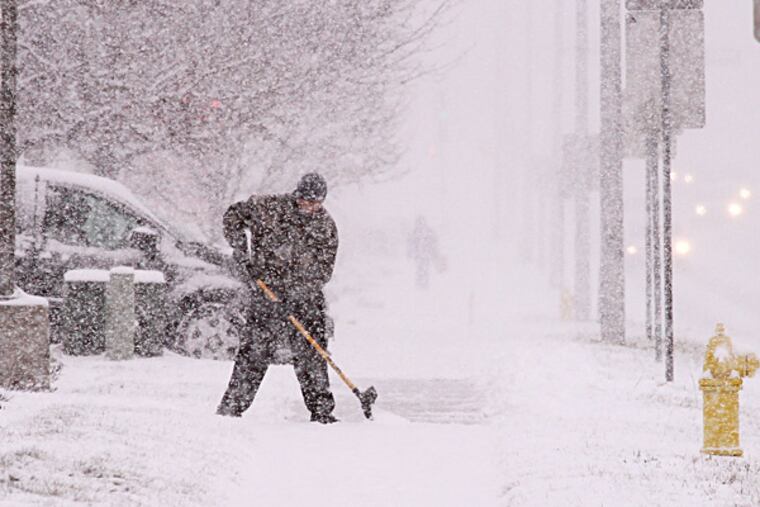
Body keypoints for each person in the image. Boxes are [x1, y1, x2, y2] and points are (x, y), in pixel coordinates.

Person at [216, 173, 339, 423]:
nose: (310, 206)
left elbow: (324, 271)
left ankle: (322, 412)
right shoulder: (269, 207)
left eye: (316, 203)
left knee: (312, 353)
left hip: (305, 298)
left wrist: (295, 295)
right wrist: (242, 252)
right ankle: (231, 408)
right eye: (306, 200)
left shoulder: (325, 226)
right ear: (297, 195)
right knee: (255, 352)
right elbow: (233, 217)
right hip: (266, 291)